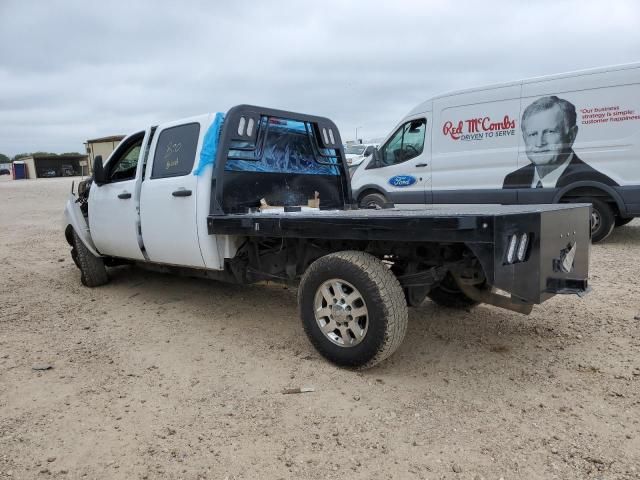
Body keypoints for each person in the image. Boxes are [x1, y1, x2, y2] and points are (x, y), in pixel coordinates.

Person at [503, 96, 618, 189]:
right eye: (533, 134)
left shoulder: (597, 182)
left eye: (549, 132)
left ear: (571, 135)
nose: (539, 143)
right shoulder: (511, 180)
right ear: (524, 138)